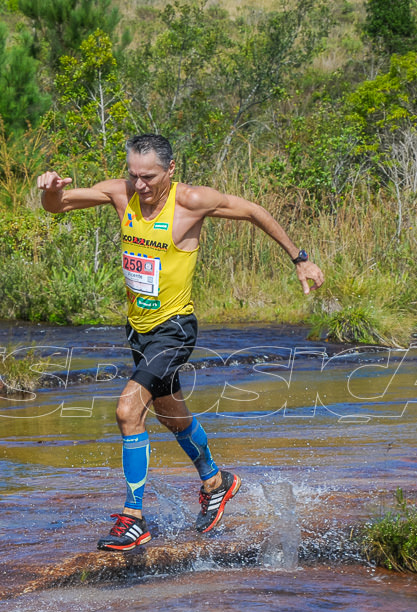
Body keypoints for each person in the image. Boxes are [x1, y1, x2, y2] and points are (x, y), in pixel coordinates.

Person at [37, 133, 325, 551]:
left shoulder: (192, 202)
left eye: (149, 177)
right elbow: (57, 206)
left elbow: (254, 211)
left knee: (127, 410)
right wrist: (51, 191)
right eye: (134, 175)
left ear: (170, 170)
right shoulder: (122, 194)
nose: (140, 186)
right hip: (139, 329)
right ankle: (216, 481)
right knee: (171, 416)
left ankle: (134, 517)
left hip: (174, 329)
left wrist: (300, 259)